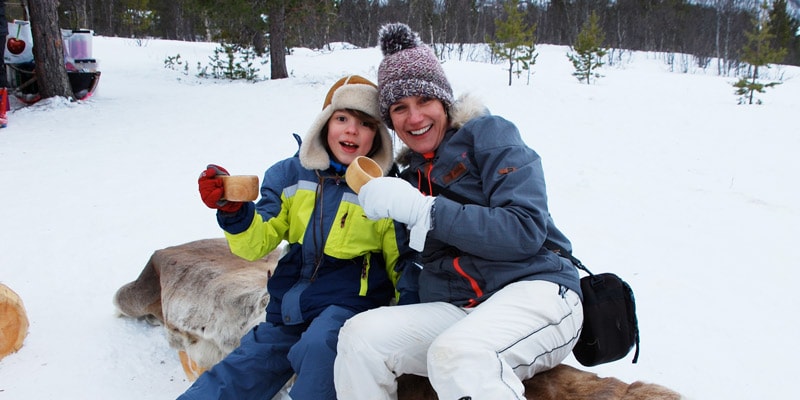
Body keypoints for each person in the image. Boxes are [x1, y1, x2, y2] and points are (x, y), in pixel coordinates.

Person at [334, 23, 584, 400]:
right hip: (463, 308)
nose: (414, 118)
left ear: (444, 102)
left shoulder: (491, 135)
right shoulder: (410, 176)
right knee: (360, 337)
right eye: (400, 108)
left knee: (460, 356)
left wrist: (427, 211)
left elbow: (525, 230)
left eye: (424, 102)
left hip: (539, 290)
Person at [179, 75, 419, 400]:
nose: (351, 130)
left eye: (365, 123)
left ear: (377, 137)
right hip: (290, 308)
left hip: (349, 309)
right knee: (242, 369)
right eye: (342, 118)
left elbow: (400, 261)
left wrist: (409, 312)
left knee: (320, 345)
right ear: (324, 125)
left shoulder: (384, 190)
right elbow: (257, 244)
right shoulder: (289, 175)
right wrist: (234, 210)